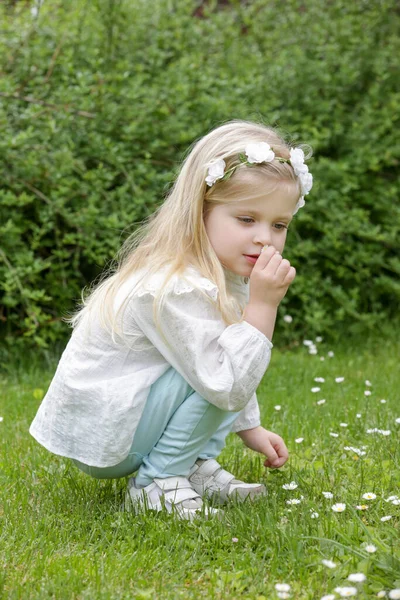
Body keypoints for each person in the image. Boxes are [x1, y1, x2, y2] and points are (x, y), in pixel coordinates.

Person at [29, 119, 313, 521]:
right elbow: (225, 377)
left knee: (224, 355)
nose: (265, 237)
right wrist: (263, 309)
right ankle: (157, 481)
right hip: (109, 434)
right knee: (220, 366)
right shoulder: (176, 286)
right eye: (247, 219)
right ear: (200, 212)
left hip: (131, 420)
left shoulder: (222, 275)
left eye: (279, 225)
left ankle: (191, 465)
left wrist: (250, 427)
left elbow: (227, 359)